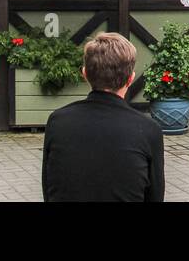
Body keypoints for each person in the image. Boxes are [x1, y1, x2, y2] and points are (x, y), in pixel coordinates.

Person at [41, 32, 164, 202]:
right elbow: (155, 196)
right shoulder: (149, 130)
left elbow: (49, 189)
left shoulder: (58, 121)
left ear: (84, 74)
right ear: (130, 79)